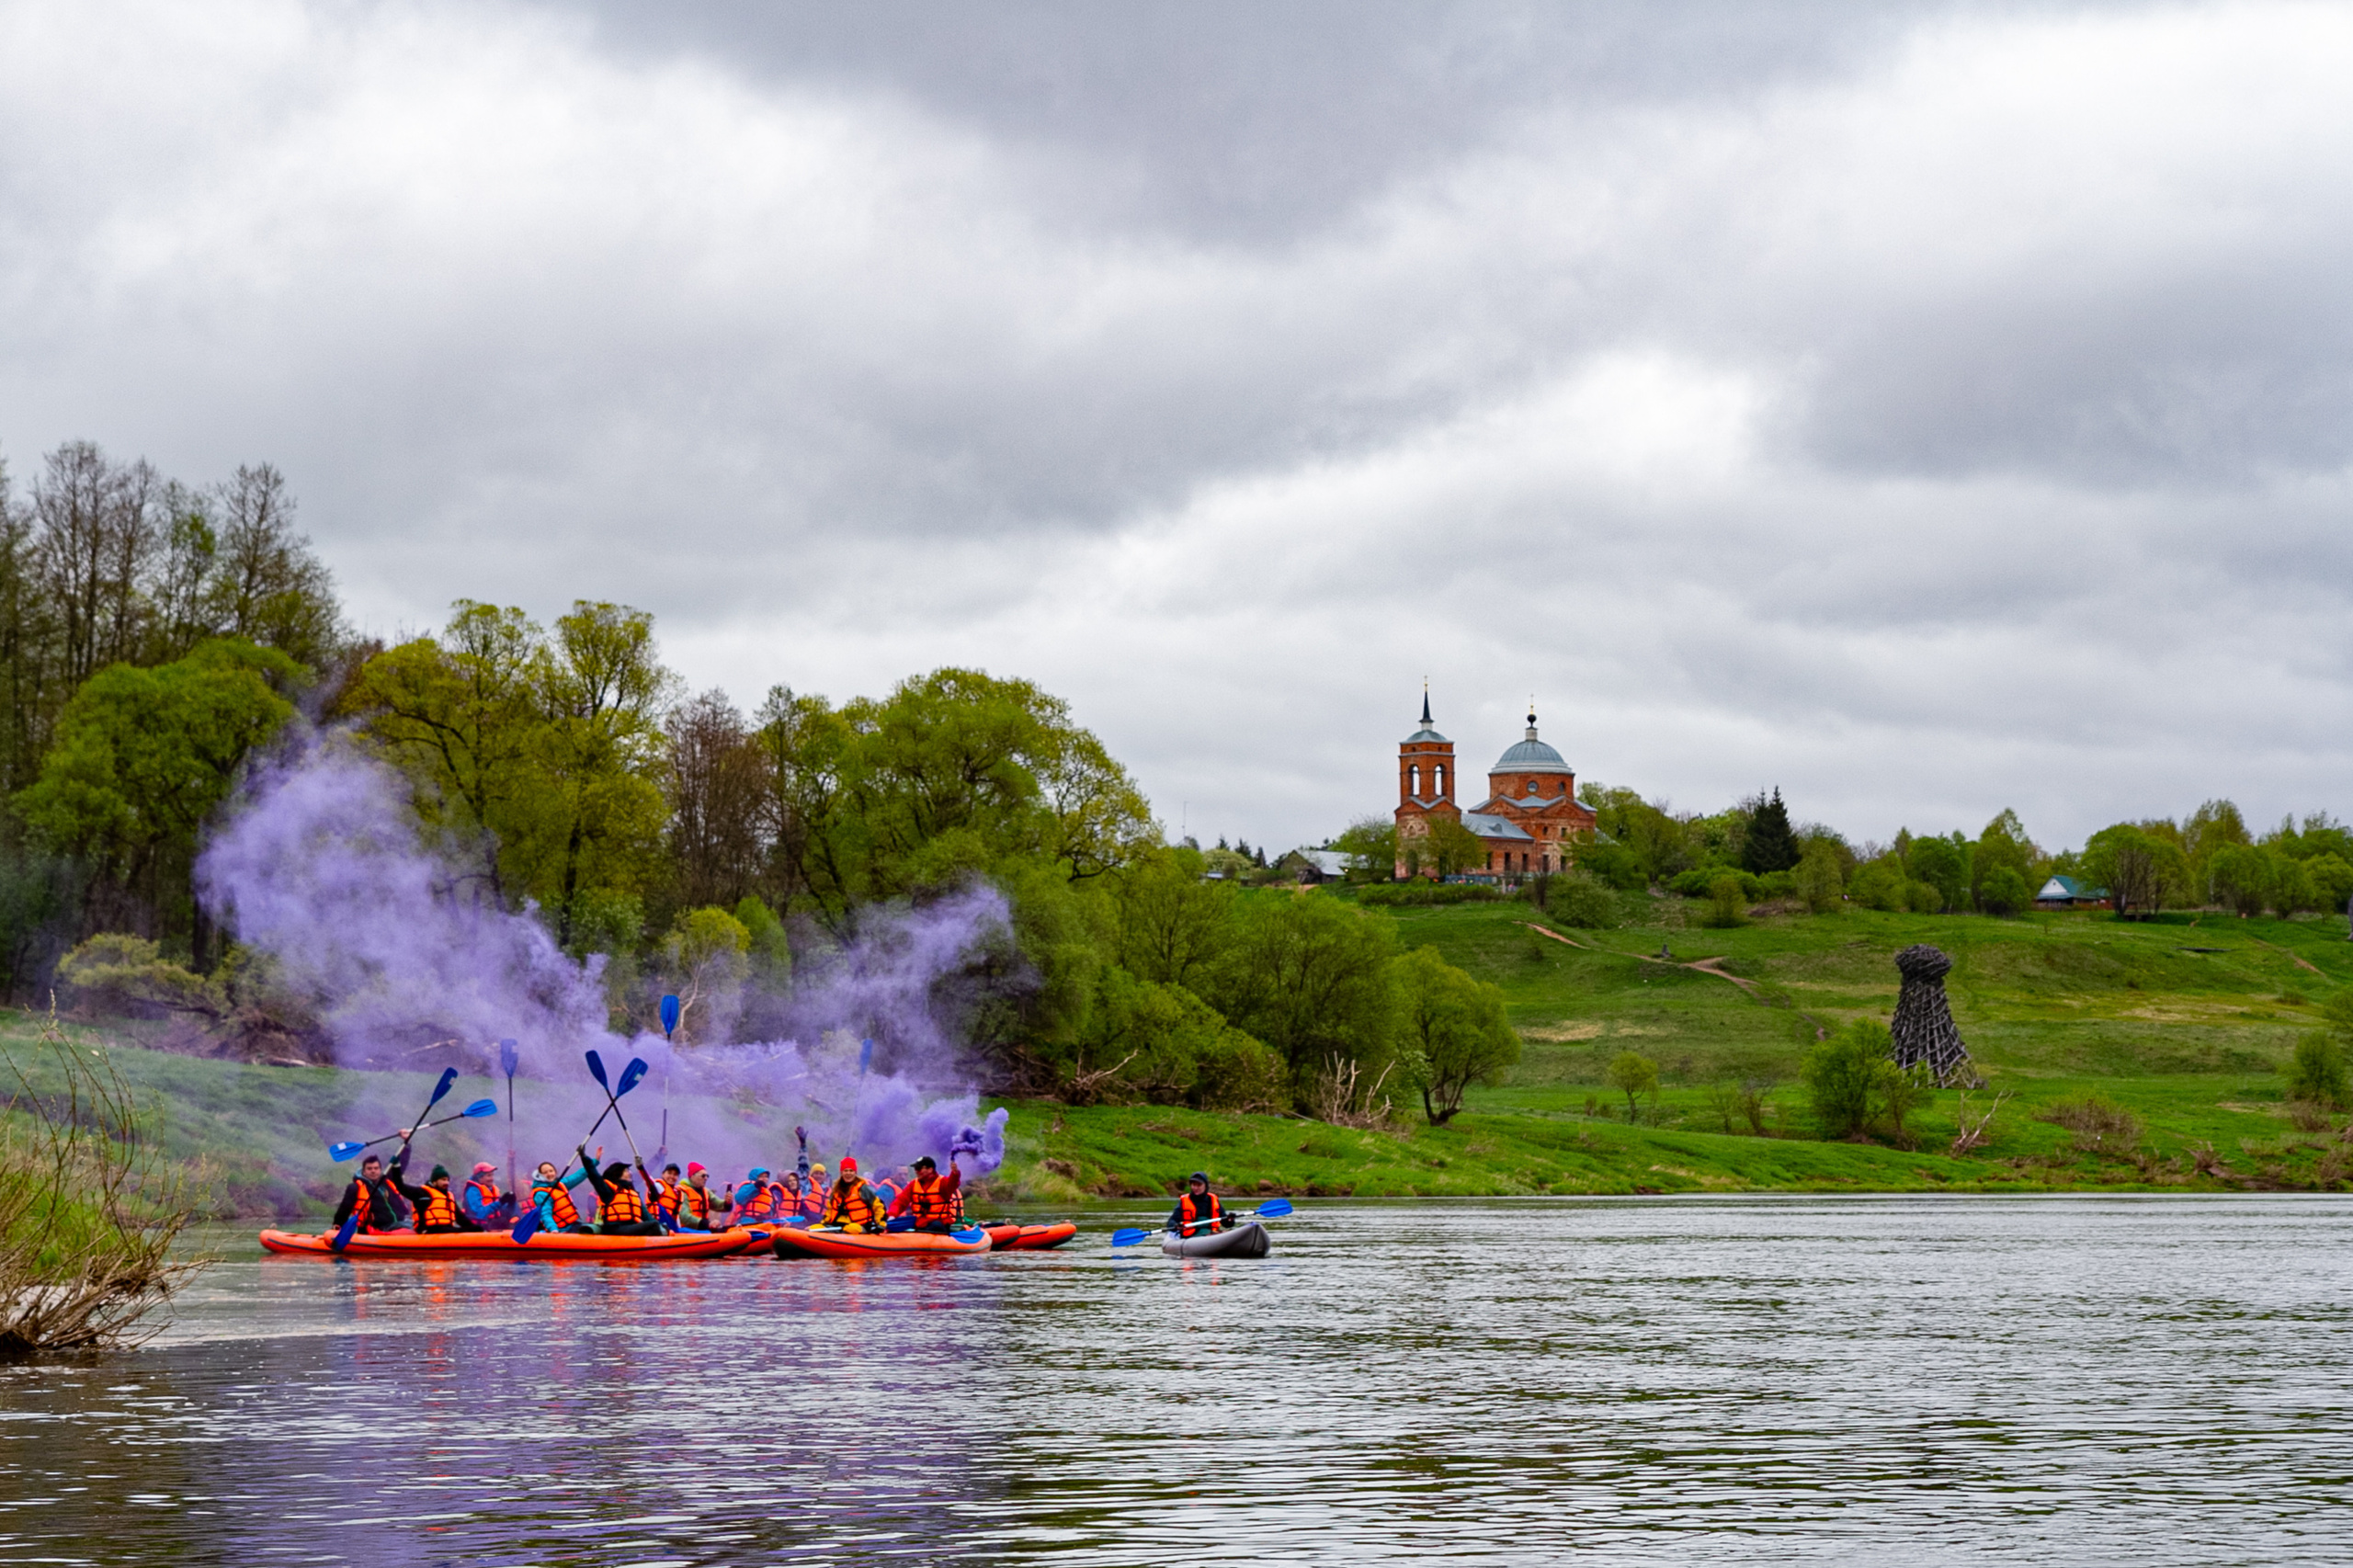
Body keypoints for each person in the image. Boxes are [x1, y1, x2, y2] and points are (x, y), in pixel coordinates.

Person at [576, 1146, 666, 1236]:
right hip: (614, 1228)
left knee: (656, 1224)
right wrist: (584, 1157)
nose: (630, 1173)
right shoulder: (609, 1191)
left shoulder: (633, 1193)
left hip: (630, 1227)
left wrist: (661, 1227)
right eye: (626, 1171)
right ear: (617, 1174)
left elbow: (647, 1217)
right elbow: (594, 1175)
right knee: (654, 1225)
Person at [332, 1151, 407, 1234]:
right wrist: (337, 1227)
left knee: (416, 1226)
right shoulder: (355, 1187)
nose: (373, 1171)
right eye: (369, 1168)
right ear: (364, 1172)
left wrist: (407, 1147)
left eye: (376, 1168)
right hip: (375, 1228)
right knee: (410, 1228)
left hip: (397, 1224)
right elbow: (344, 1210)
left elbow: (401, 1167)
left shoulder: (387, 1182)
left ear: (380, 1170)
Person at [888, 1153, 966, 1233]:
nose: (916, 1171)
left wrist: (955, 1174)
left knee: (936, 1226)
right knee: (894, 1224)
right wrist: (892, 1215)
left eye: (919, 1169)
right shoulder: (913, 1184)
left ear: (930, 1170)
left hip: (939, 1223)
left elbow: (952, 1184)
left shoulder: (942, 1182)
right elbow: (901, 1201)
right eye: (915, 1169)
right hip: (920, 1222)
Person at [393, 1165, 474, 1233]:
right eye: (443, 1180)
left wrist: (474, 1229)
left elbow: (460, 1218)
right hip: (429, 1230)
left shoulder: (449, 1197)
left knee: (474, 1228)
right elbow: (401, 1187)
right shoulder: (421, 1192)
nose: (447, 1183)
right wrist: (396, 1168)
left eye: (447, 1180)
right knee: (459, 1230)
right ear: (434, 1181)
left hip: (446, 1230)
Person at [819, 1155, 885, 1233]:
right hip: (837, 1226)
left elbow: (878, 1206)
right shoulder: (836, 1191)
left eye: (851, 1171)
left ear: (855, 1173)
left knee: (851, 1229)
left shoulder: (863, 1189)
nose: (848, 1173)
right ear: (841, 1173)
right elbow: (830, 1211)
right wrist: (823, 1224)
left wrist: (881, 1224)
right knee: (815, 1227)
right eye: (845, 1171)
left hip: (860, 1226)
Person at [529, 1159, 596, 1233]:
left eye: (551, 1171)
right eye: (545, 1172)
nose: (549, 1174)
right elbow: (545, 1214)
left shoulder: (559, 1184)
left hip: (574, 1224)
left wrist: (595, 1161)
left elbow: (578, 1176)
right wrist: (553, 1229)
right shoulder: (541, 1194)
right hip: (561, 1229)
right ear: (540, 1176)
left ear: (555, 1172)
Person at [670, 1162, 730, 1232]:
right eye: (703, 1176)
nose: (706, 1178)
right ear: (692, 1176)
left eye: (707, 1176)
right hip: (685, 1231)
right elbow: (684, 1216)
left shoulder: (706, 1191)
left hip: (702, 1230)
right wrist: (708, 1224)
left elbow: (718, 1205)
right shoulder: (682, 1191)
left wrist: (727, 1202)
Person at [1168, 1171, 1228, 1237]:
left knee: (1225, 1233)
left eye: (1199, 1185)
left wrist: (1230, 1220)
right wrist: (1176, 1225)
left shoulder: (1213, 1200)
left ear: (1205, 1186)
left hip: (1212, 1232)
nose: (1196, 1188)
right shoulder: (1184, 1201)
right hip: (1192, 1235)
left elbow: (1227, 1224)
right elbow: (1171, 1221)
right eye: (1194, 1185)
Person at [461, 1162, 513, 1227]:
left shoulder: (491, 1189)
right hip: (479, 1226)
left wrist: (507, 1202)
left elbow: (500, 1209)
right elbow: (479, 1214)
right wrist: (500, 1202)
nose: (492, 1179)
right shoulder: (472, 1191)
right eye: (489, 1176)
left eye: (492, 1175)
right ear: (480, 1178)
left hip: (492, 1224)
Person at [650, 1163, 685, 1228]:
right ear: (662, 1174)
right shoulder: (658, 1186)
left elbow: (676, 1216)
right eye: (669, 1173)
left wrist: (678, 1230)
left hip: (671, 1226)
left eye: (675, 1174)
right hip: (658, 1224)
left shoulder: (678, 1193)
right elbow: (650, 1184)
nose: (672, 1176)